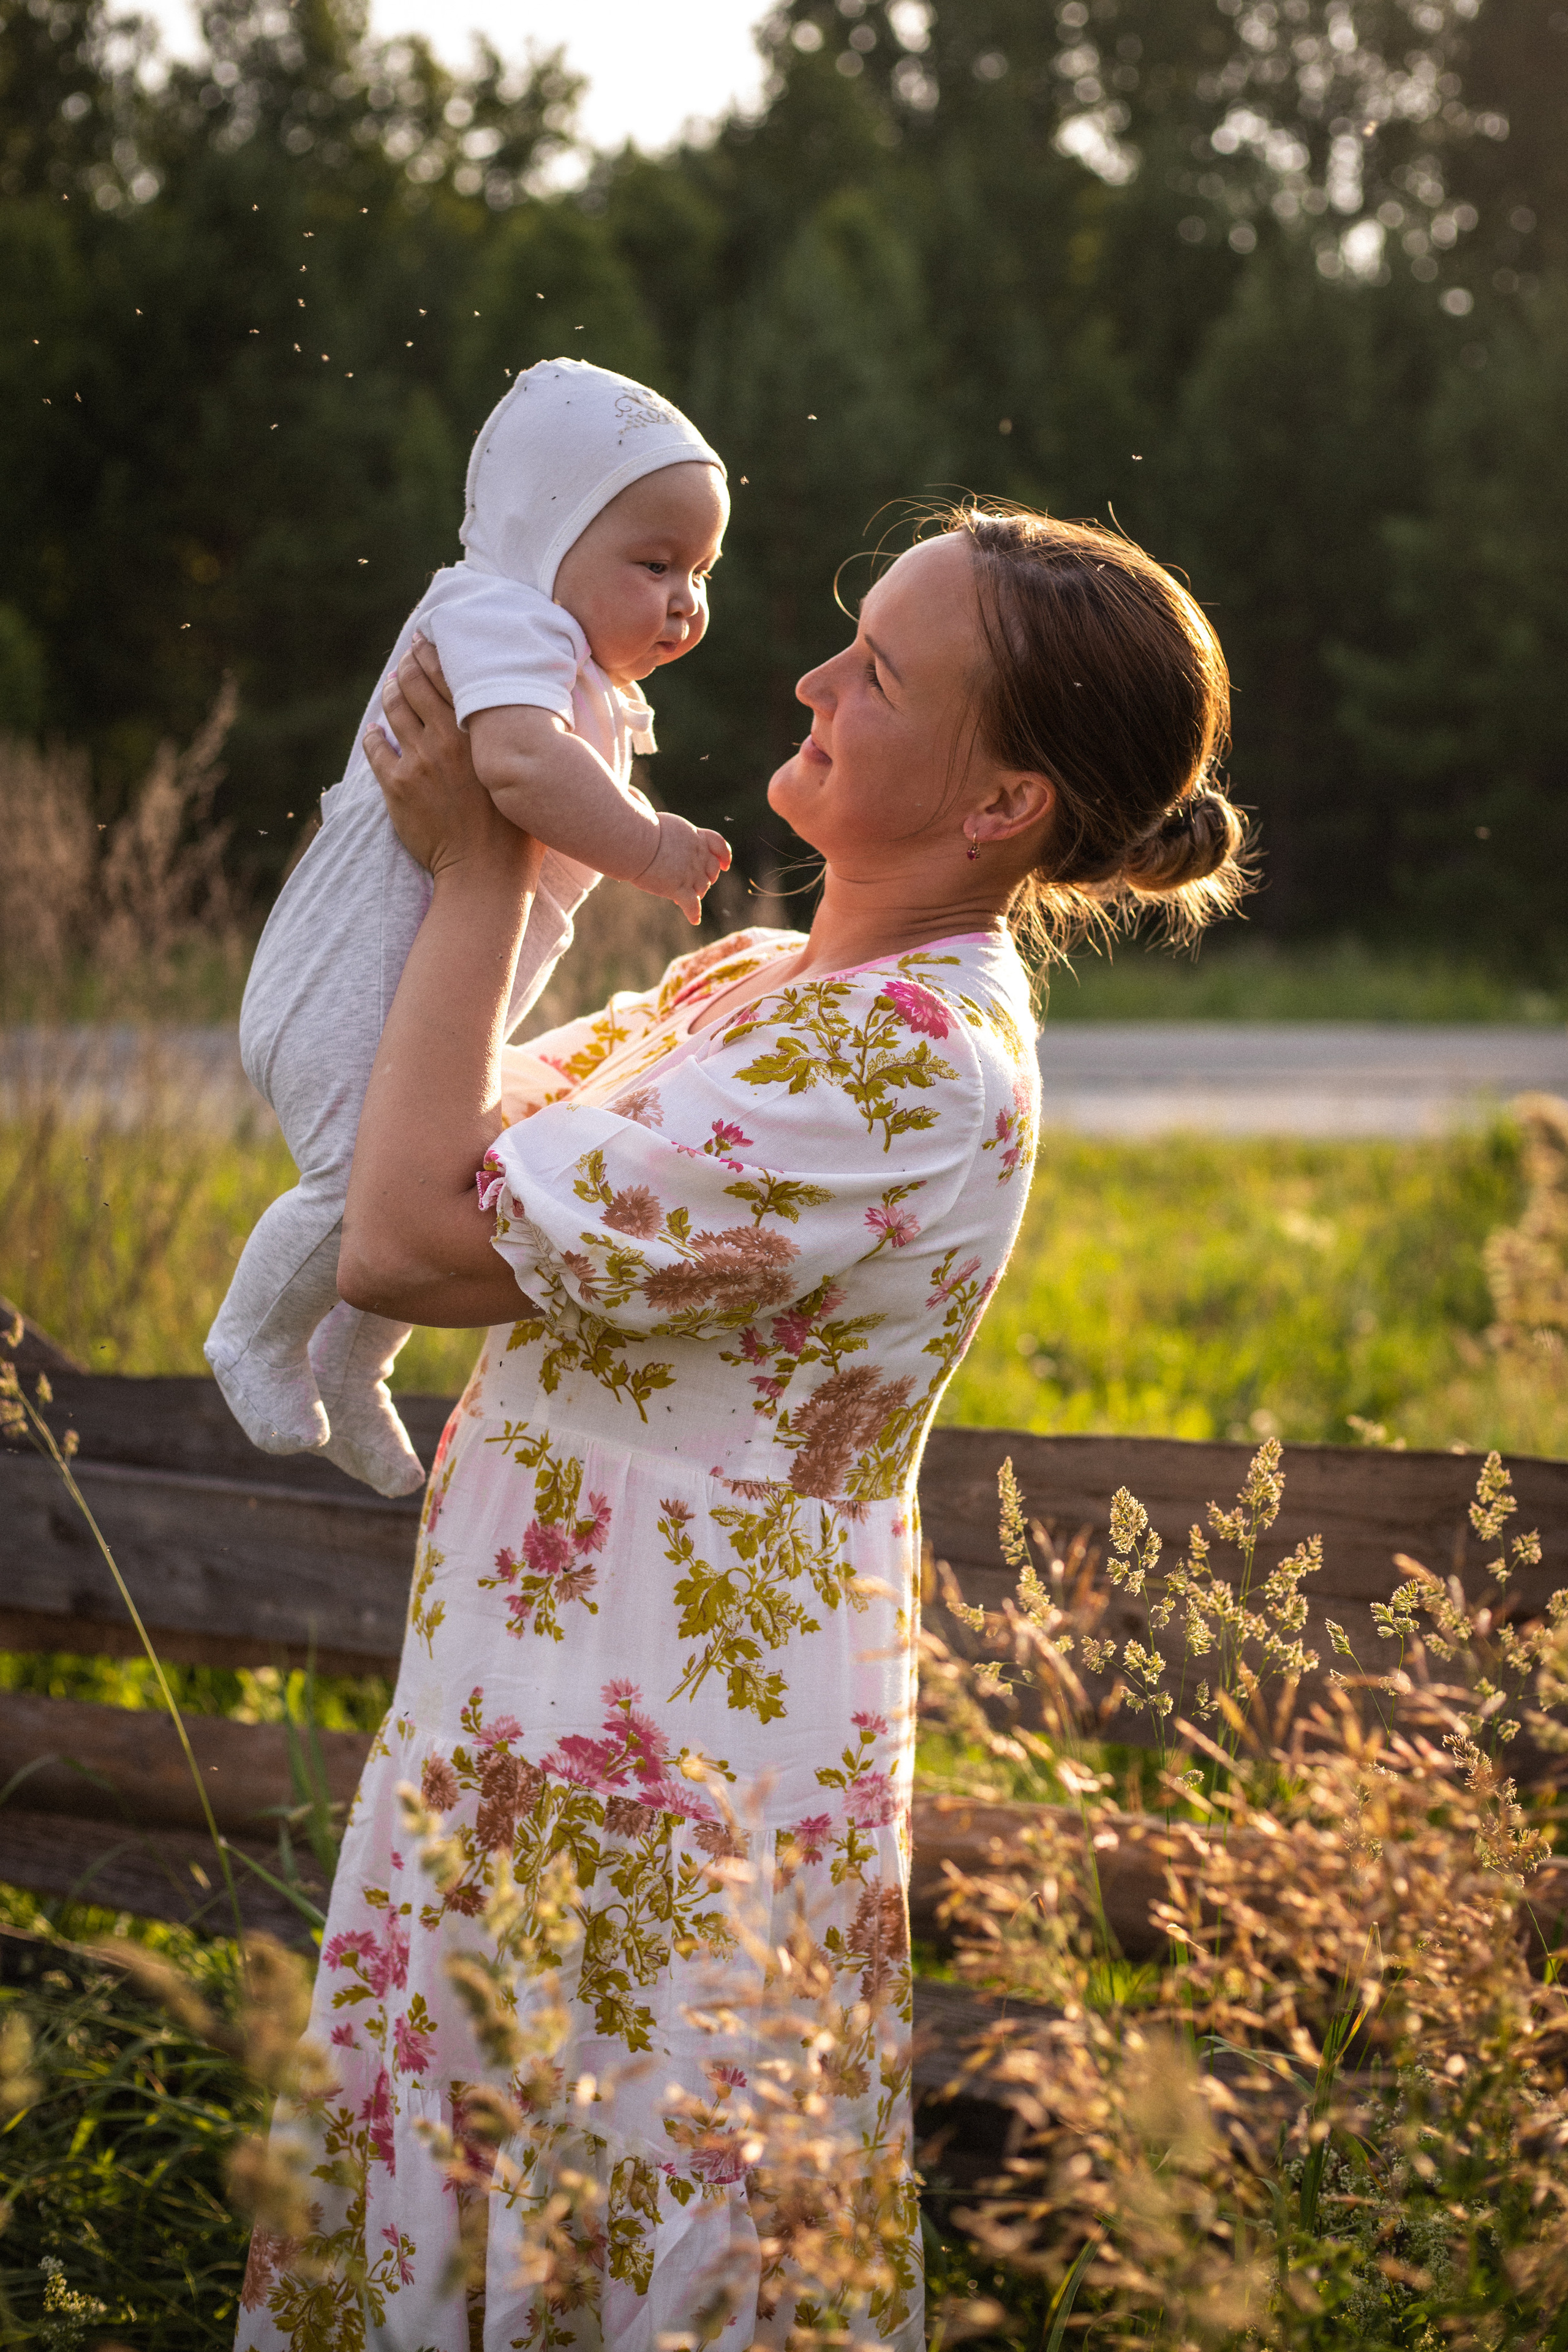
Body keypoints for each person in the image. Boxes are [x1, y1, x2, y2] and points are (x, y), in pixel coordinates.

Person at [236, 505, 1246, 2352]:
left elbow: (401, 1232)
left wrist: (482, 869)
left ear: (1002, 802)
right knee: (458, 2214)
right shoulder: (745, 988)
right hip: (523, 1731)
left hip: (667, 1788)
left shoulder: (904, 1062)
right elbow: (400, 1132)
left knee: (623, 2207)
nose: (809, 677)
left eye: (877, 672)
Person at [206, 358, 731, 1499]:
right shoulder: (503, 616)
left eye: (701, 571)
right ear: (546, 538)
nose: (687, 601)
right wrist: (652, 846)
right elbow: (517, 766)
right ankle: (252, 1337)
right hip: (346, 977)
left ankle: (351, 1367)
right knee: (365, 1184)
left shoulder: (557, 651)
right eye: (656, 565)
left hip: (427, 992)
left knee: (449, 1166)